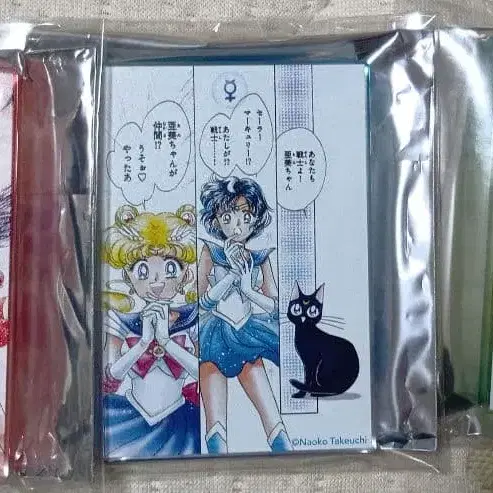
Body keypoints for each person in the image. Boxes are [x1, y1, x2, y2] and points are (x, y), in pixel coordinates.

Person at [198, 176, 292, 453]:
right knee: (215, 424)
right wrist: (231, 277)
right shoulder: (211, 251)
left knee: (272, 417)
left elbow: (276, 306)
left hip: (247, 334)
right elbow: (199, 302)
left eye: (245, 217)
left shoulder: (260, 257)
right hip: (213, 336)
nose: (237, 226)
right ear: (216, 220)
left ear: (256, 220)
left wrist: (249, 290)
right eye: (227, 217)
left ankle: (288, 458)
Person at [102, 204, 200, 459]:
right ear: (128, 277)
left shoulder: (193, 319)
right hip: (128, 418)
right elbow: (109, 379)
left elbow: (205, 372)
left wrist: (167, 342)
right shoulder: (120, 320)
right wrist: (143, 342)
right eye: (143, 271)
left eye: (170, 269)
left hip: (181, 421)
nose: (157, 282)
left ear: (185, 275)